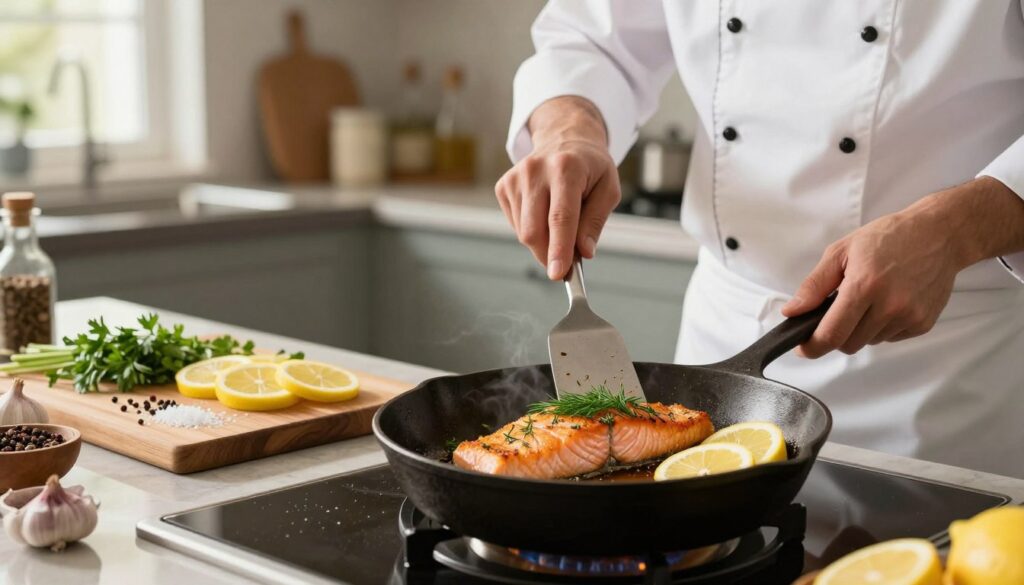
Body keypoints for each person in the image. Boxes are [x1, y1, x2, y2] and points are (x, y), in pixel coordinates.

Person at [496, 1, 1024, 478]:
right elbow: (592, 38)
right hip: (721, 348)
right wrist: (569, 131)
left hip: (938, 383)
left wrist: (953, 231)